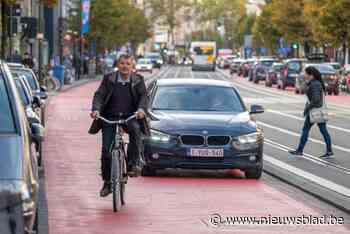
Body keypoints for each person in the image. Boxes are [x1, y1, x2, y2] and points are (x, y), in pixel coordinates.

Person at [89, 54, 149, 197]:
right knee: (106, 151)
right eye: (122, 63)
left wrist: (141, 109)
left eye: (128, 64)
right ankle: (107, 183)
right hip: (109, 117)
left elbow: (143, 97)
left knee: (135, 130)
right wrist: (96, 110)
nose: (125, 66)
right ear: (118, 64)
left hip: (130, 116)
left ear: (132, 66)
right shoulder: (109, 79)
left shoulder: (138, 80)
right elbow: (99, 95)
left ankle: (133, 164)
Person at [289, 66, 333, 158]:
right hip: (317, 110)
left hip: (314, 111)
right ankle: (329, 151)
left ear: (311, 75)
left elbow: (316, 99)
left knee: (306, 130)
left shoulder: (315, 84)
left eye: (306, 73)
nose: (304, 75)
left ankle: (300, 150)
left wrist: (308, 108)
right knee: (323, 131)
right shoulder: (313, 83)